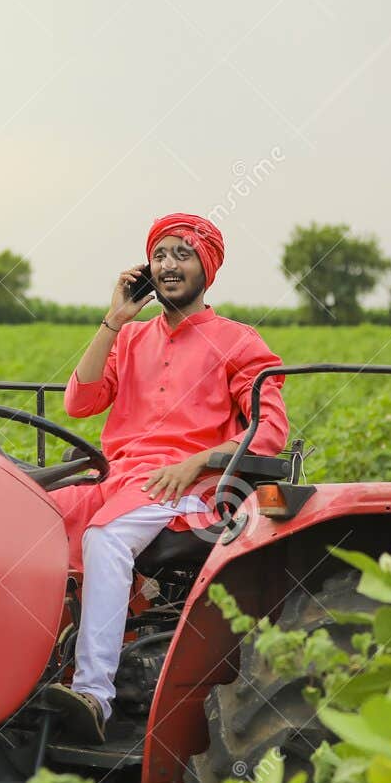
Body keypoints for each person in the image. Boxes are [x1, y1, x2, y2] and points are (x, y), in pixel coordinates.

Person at [39, 213, 288, 743]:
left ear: (207, 267)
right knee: (34, 524)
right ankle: (32, 681)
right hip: (122, 481)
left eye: (183, 254)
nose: (169, 265)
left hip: (188, 488)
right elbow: (80, 402)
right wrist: (114, 318)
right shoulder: (129, 340)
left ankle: (94, 695)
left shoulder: (238, 341)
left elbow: (269, 431)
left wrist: (199, 461)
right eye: (160, 255)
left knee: (105, 540)